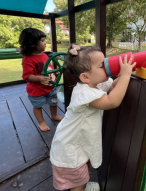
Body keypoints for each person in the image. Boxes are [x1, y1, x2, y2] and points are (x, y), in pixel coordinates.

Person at [50, 44, 136, 191]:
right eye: (102, 65)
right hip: (69, 150)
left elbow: (113, 86)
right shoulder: (85, 94)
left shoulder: (95, 84)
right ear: (85, 77)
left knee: (82, 170)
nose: (107, 66)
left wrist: (122, 74)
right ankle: (80, 188)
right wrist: (126, 75)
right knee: (78, 181)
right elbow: (112, 101)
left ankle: (81, 185)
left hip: (74, 144)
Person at [19, 28, 63, 132]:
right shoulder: (27, 59)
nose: (45, 43)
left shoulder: (44, 55)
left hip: (50, 87)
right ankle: (41, 122)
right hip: (37, 90)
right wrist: (39, 78)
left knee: (53, 102)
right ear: (32, 44)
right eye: (42, 41)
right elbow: (27, 76)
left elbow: (49, 68)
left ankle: (54, 115)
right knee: (37, 106)